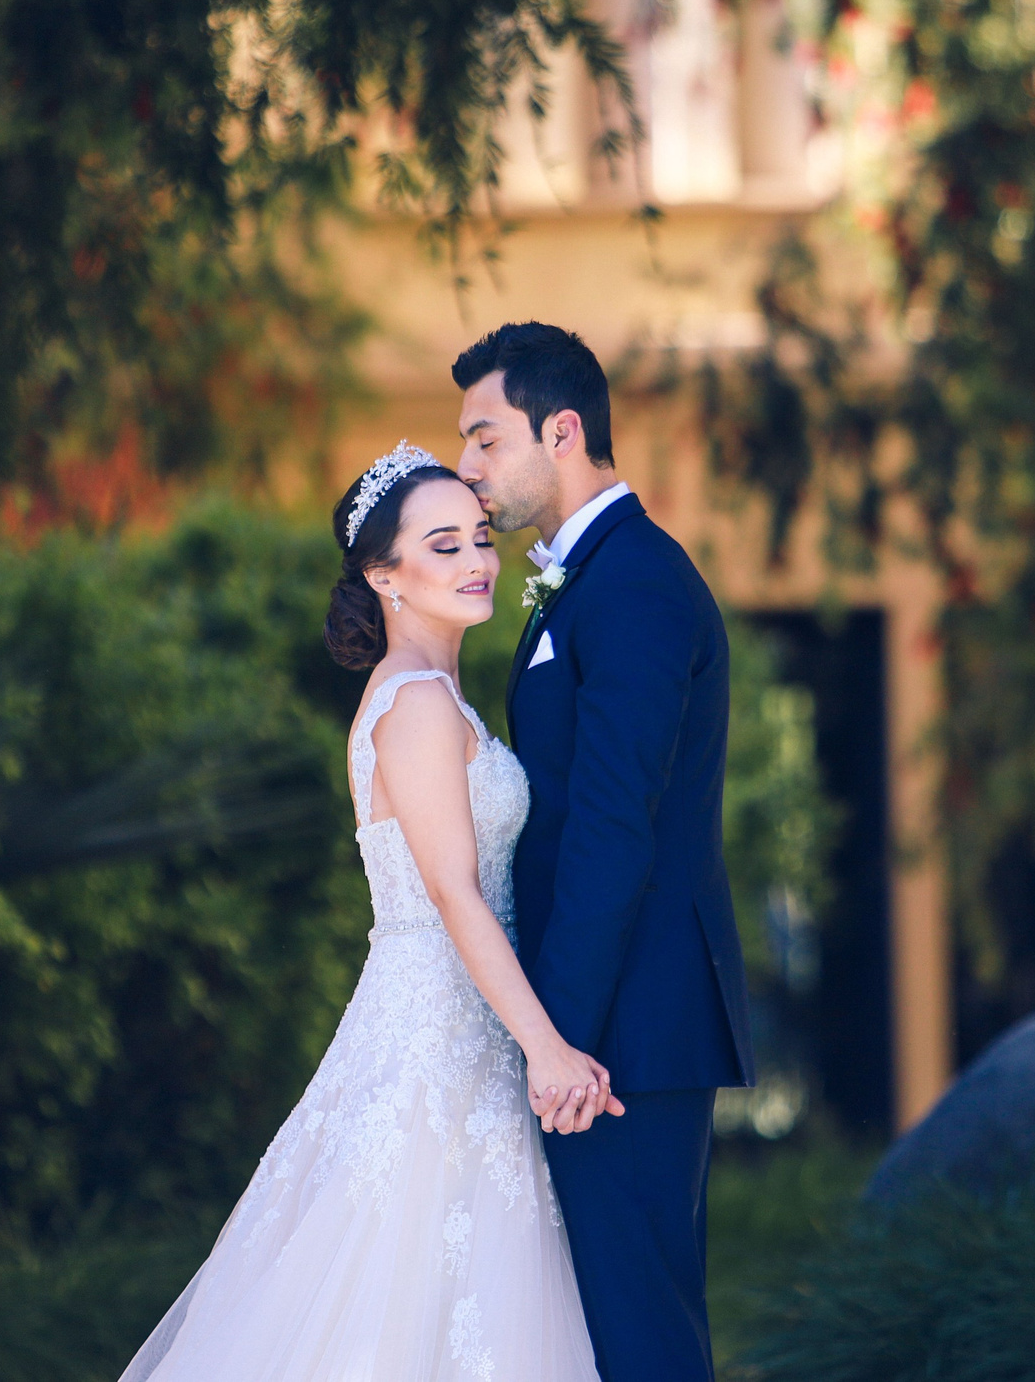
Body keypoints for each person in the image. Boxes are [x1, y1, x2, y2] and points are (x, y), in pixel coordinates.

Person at [118, 442, 615, 1382]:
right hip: (435, 1031)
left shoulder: (431, 696)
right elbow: (453, 890)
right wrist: (547, 1047)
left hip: (459, 1024)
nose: (476, 560)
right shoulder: (419, 703)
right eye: (443, 546)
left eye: (478, 538)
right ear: (385, 575)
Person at [454, 322, 755, 1382]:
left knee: (641, 1341)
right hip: (601, 1027)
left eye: (486, 440)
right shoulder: (589, 581)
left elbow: (612, 828)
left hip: (623, 1029)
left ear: (563, 430)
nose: (469, 468)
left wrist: (558, 1042)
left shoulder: (632, 585)